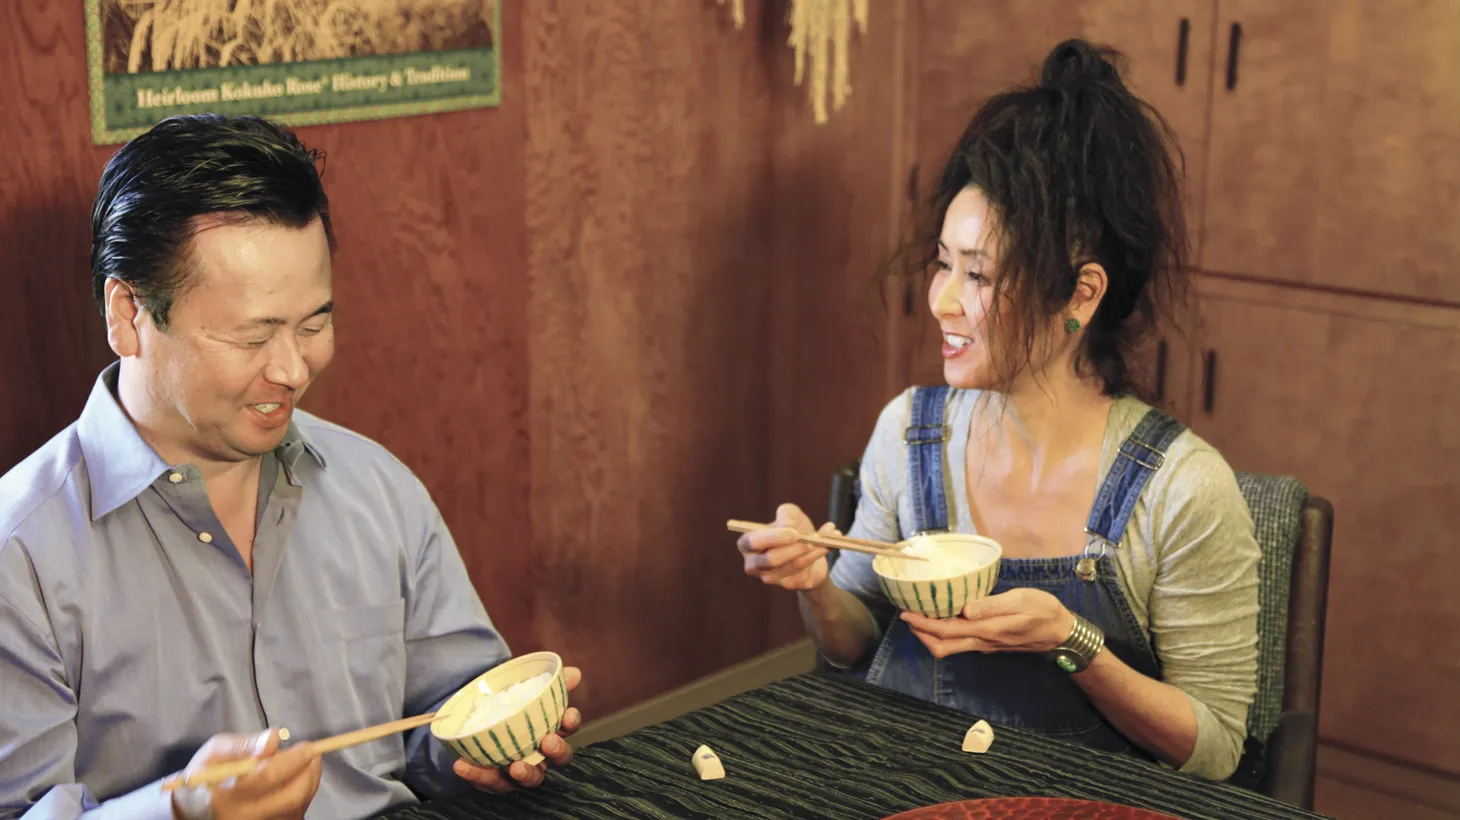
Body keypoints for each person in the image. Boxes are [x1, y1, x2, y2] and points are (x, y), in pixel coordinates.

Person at [0, 114, 581, 819]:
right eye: (251, 336)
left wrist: (480, 750)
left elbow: (443, 715)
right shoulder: (22, 549)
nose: (293, 369)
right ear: (128, 314)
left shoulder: (374, 486)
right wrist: (179, 810)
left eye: (313, 324)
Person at [736, 40, 1261, 782]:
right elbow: (851, 647)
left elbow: (1211, 750)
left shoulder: (1182, 489)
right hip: (903, 788)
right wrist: (814, 580)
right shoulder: (910, 433)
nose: (940, 301)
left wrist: (1070, 640)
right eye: (943, 262)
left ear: (1081, 294)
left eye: (978, 274)